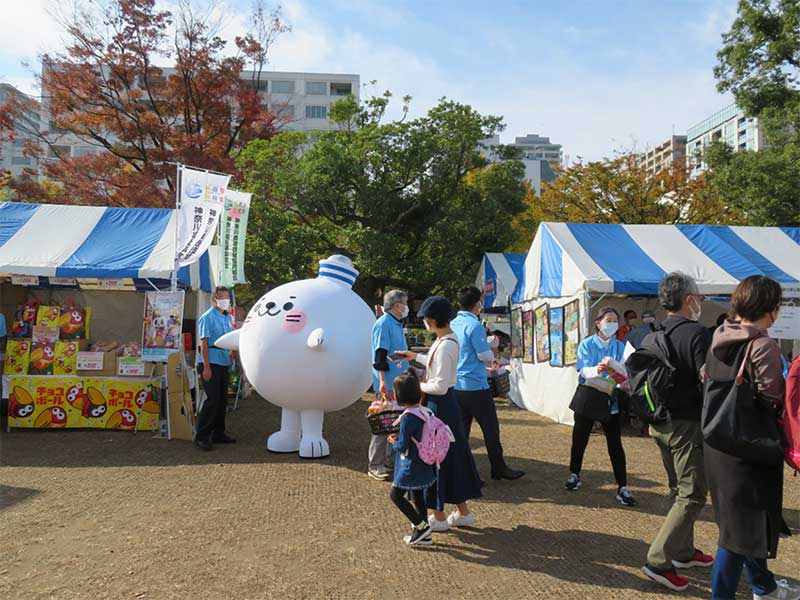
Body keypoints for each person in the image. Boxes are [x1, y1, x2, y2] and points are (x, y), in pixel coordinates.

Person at [704, 276, 800, 600]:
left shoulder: (719, 337)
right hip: (750, 448)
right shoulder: (763, 345)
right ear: (771, 309)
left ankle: (764, 587)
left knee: (738, 529)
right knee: (735, 539)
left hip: (719, 445)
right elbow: (773, 397)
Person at [642, 272, 714, 592]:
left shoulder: (652, 333)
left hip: (658, 422)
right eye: (698, 295)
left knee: (678, 489)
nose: (700, 301)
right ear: (689, 299)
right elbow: (707, 379)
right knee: (692, 493)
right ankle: (658, 559)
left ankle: (683, 552)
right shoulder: (697, 334)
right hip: (686, 423)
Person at [395, 296, 482, 533]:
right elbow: (437, 366)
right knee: (450, 459)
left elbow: (440, 386)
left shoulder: (445, 345)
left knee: (434, 460)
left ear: (431, 320)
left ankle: (439, 517)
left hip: (439, 406)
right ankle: (462, 512)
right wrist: (416, 357)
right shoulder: (446, 339)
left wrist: (415, 386)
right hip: (444, 408)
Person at [451, 286, 524, 481]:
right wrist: (492, 347)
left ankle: (462, 471)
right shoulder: (474, 325)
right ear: (477, 304)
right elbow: (483, 355)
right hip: (476, 385)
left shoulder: (453, 323)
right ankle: (498, 468)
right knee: (490, 429)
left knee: (461, 432)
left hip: (457, 385)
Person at [565, 307, 636, 507]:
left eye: (615, 320)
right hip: (588, 398)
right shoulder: (587, 344)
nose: (612, 324)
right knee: (580, 439)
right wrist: (598, 369)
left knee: (615, 445)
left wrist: (620, 373)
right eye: (608, 320)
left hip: (610, 400)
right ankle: (574, 474)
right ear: (598, 323)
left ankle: (622, 486)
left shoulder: (621, 346)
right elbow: (583, 369)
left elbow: (627, 370)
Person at [386, 370, 438, 546]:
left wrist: (393, 441)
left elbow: (403, 445)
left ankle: (422, 527)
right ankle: (424, 533)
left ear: (399, 396)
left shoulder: (408, 417)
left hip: (411, 464)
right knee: (418, 496)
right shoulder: (425, 411)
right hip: (425, 462)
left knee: (396, 495)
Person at [368, 290, 410, 481]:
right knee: (383, 425)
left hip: (399, 382)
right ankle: (375, 465)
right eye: (406, 303)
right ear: (397, 305)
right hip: (388, 384)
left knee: (395, 424)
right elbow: (379, 357)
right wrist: (383, 382)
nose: (407, 307)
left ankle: (389, 462)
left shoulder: (396, 324)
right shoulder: (384, 324)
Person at [195, 286, 236, 451]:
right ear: (215, 299)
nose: (226, 301)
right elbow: (203, 343)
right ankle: (202, 436)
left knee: (222, 400)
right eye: (223, 298)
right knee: (212, 400)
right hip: (210, 361)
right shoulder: (207, 317)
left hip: (223, 360)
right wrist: (206, 367)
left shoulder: (227, 317)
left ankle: (219, 432)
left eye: (228, 298)